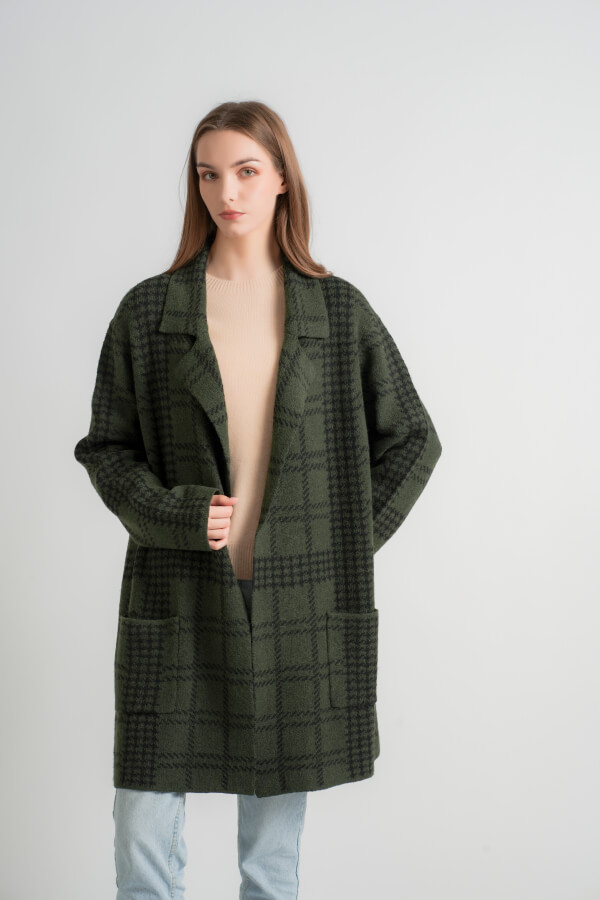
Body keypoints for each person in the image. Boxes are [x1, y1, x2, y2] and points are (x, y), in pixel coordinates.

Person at [74, 100, 442, 899]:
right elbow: (106, 449)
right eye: (209, 175)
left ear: (281, 179)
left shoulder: (337, 310)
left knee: (269, 866)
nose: (227, 193)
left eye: (246, 171)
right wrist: (175, 512)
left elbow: (414, 439)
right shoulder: (148, 311)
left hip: (296, 606)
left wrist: (342, 540)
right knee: (142, 835)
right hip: (177, 596)